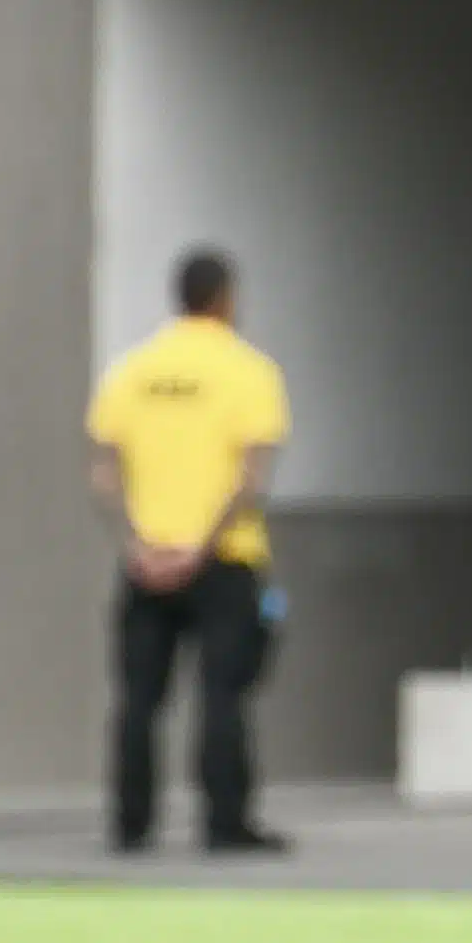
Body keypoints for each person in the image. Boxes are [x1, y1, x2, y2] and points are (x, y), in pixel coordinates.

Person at [86, 248, 290, 858]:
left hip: (145, 562)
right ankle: (225, 823)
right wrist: (197, 548)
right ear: (226, 299)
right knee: (223, 692)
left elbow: (103, 473)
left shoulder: (131, 372)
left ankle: (131, 824)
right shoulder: (250, 372)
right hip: (223, 560)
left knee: (139, 698)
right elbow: (251, 479)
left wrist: (139, 542)